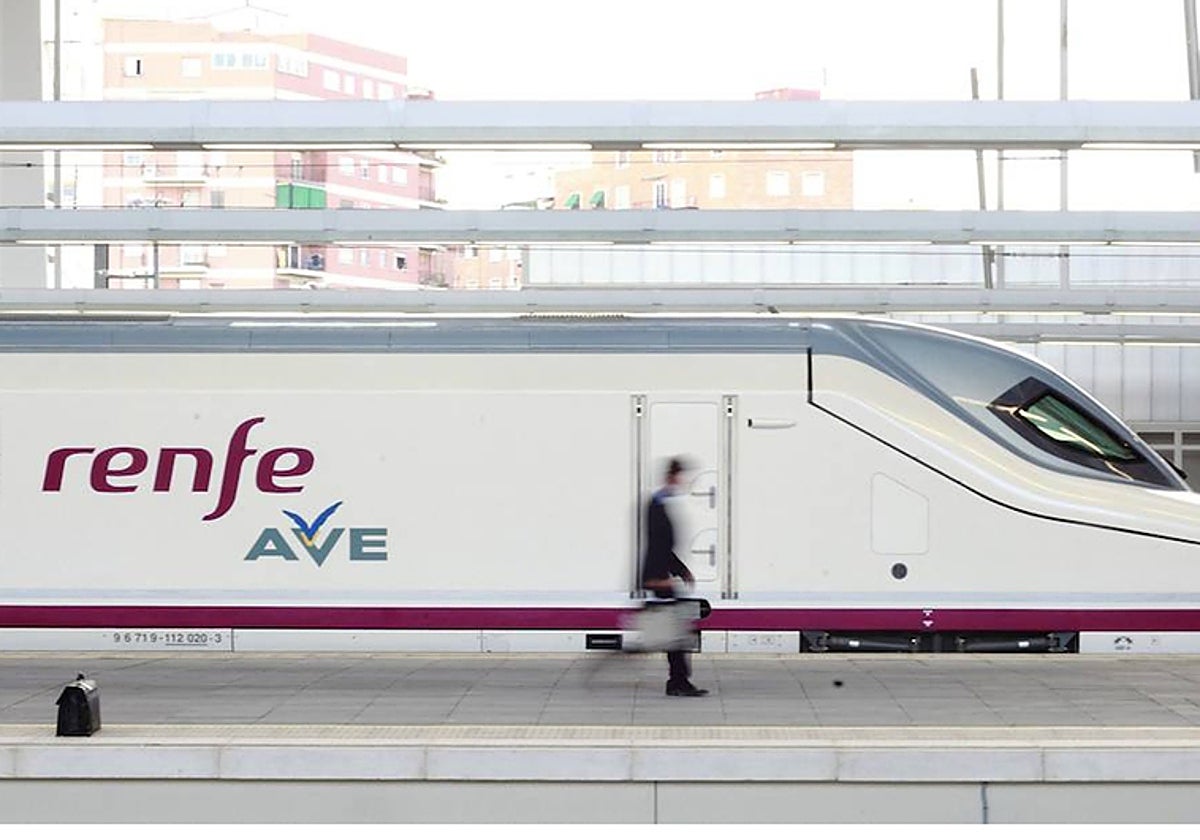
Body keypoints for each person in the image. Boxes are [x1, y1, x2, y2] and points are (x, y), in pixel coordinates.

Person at [641, 457, 709, 697]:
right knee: (677, 634)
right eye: (680, 476)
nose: (683, 481)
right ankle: (678, 682)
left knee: (676, 634)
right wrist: (657, 578)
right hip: (659, 579)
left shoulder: (660, 503)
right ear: (672, 476)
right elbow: (656, 546)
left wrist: (681, 570)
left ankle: (678, 681)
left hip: (663, 576)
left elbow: (663, 548)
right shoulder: (655, 506)